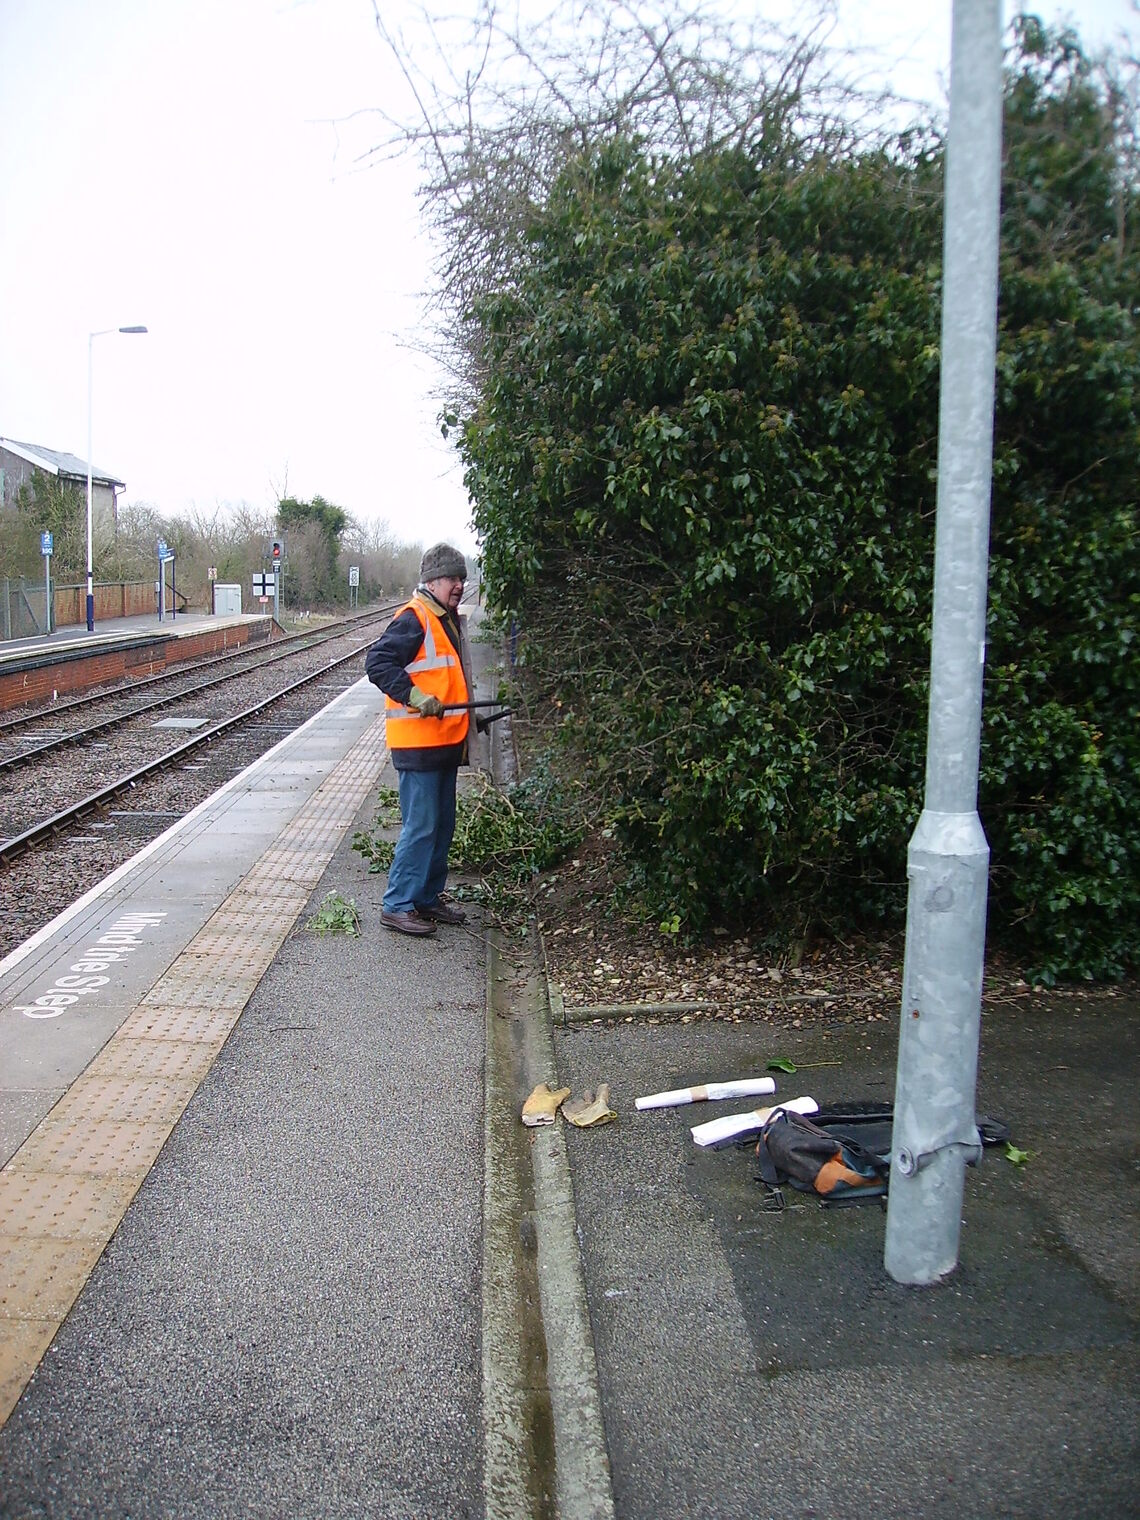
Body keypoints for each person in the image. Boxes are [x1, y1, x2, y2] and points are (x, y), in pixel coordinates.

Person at [364, 544, 472, 936]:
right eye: (452, 579)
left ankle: (426, 897)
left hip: (443, 742)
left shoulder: (447, 618)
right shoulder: (415, 618)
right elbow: (377, 664)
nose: (458, 585)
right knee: (422, 825)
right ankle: (397, 904)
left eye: (461, 578)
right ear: (431, 581)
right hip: (419, 743)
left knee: (442, 824)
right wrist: (413, 696)